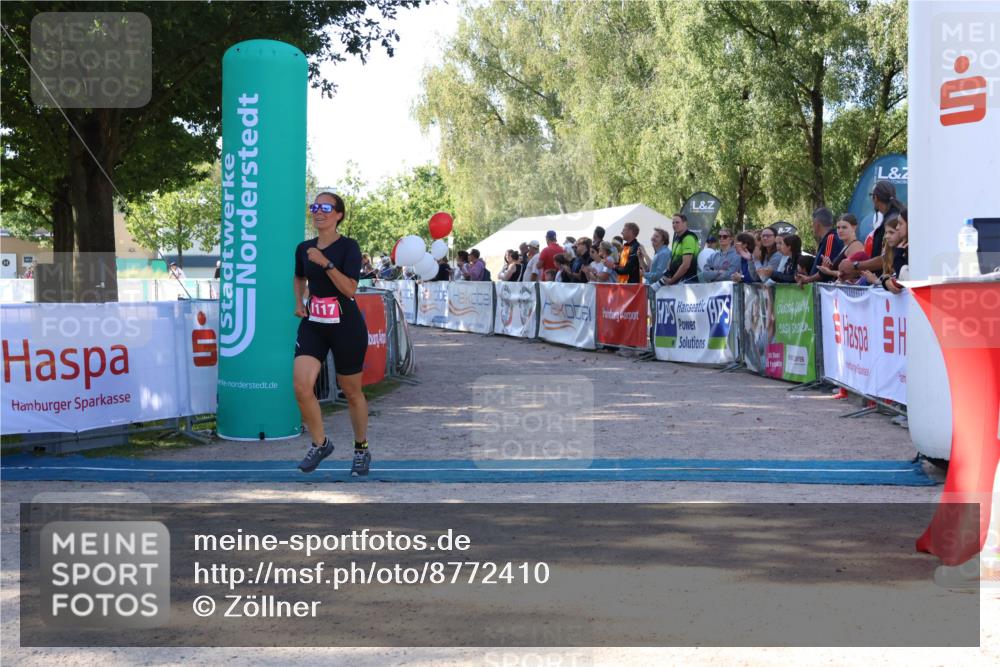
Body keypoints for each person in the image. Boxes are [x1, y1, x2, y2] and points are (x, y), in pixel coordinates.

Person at [293, 192, 371, 477]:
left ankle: (361, 448)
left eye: (325, 207)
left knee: (351, 392)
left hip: (345, 325)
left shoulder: (348, 247)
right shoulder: (304, 248)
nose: (318, 212)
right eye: (314, 207)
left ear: (339, 214)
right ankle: (320, 443)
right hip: (314, 323)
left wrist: (325, 263)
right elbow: (299, 276)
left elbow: (350, 289)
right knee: (302, 386)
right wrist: (298, 302)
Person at [839, 180, 903, 282]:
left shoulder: (893, 220)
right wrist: (855, 273)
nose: (887, 235)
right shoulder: (893, 217)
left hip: (892, 286)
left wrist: (855, 265)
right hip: (887, 284)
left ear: (875, 198)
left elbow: (888, 257)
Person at [861, 208, 909, 294]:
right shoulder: (890, 252)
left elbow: (904, 280)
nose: (887, 236)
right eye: (886, 233)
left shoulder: (906, 251)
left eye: (891, 232)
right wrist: (883, 281)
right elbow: (893, 280)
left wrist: (877, 281)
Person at [797, 207, 842, 286]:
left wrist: (808, 279)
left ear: (817, 224)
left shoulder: (830, 238)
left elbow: (825, 270)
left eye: (812, 223)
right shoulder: (828, 239)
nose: (812, 227)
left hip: (827, 290)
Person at [815, 213, 865, 282]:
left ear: (854, 227)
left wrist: (829, 272)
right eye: (838, 227)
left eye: (844, 227)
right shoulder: (846, 246)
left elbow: (852, 275)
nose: (840, 230)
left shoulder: (855, 246)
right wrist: (830, 266)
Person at [659, 213, 699, 286]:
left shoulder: (688, 238)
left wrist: (672, 280)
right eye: (673, 223)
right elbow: (672, 258)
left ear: (685, 223)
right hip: (677, 281)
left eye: (677, 222)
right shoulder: (677, 238)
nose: (674, 225)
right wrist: (667, 273)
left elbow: (686, 265)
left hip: (687, 281)